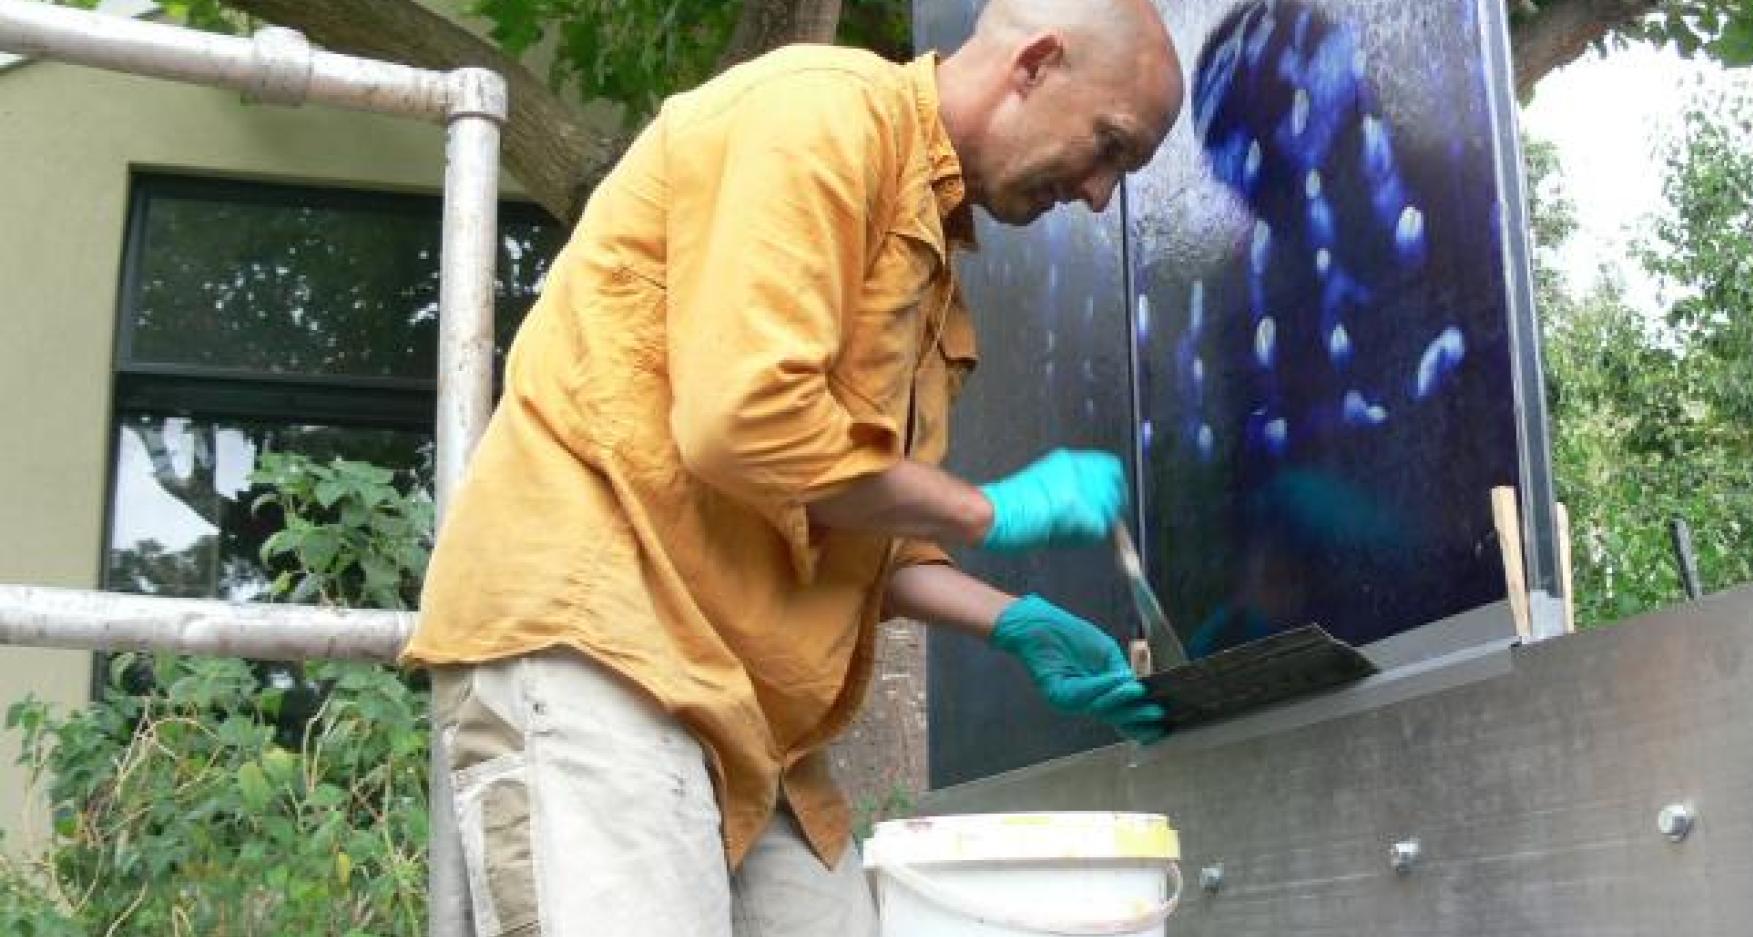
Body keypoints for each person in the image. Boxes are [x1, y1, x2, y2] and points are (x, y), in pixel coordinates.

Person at [401, 0, 1186, 933]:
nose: (1101, 193)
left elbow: (849, 509)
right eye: (1110, 146)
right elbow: (743, 423)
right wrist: (984, 510)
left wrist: (1013, 620)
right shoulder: (817, 116)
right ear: (1036, 64)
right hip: (603, 645)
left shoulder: (934, 257)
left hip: (749, 715)